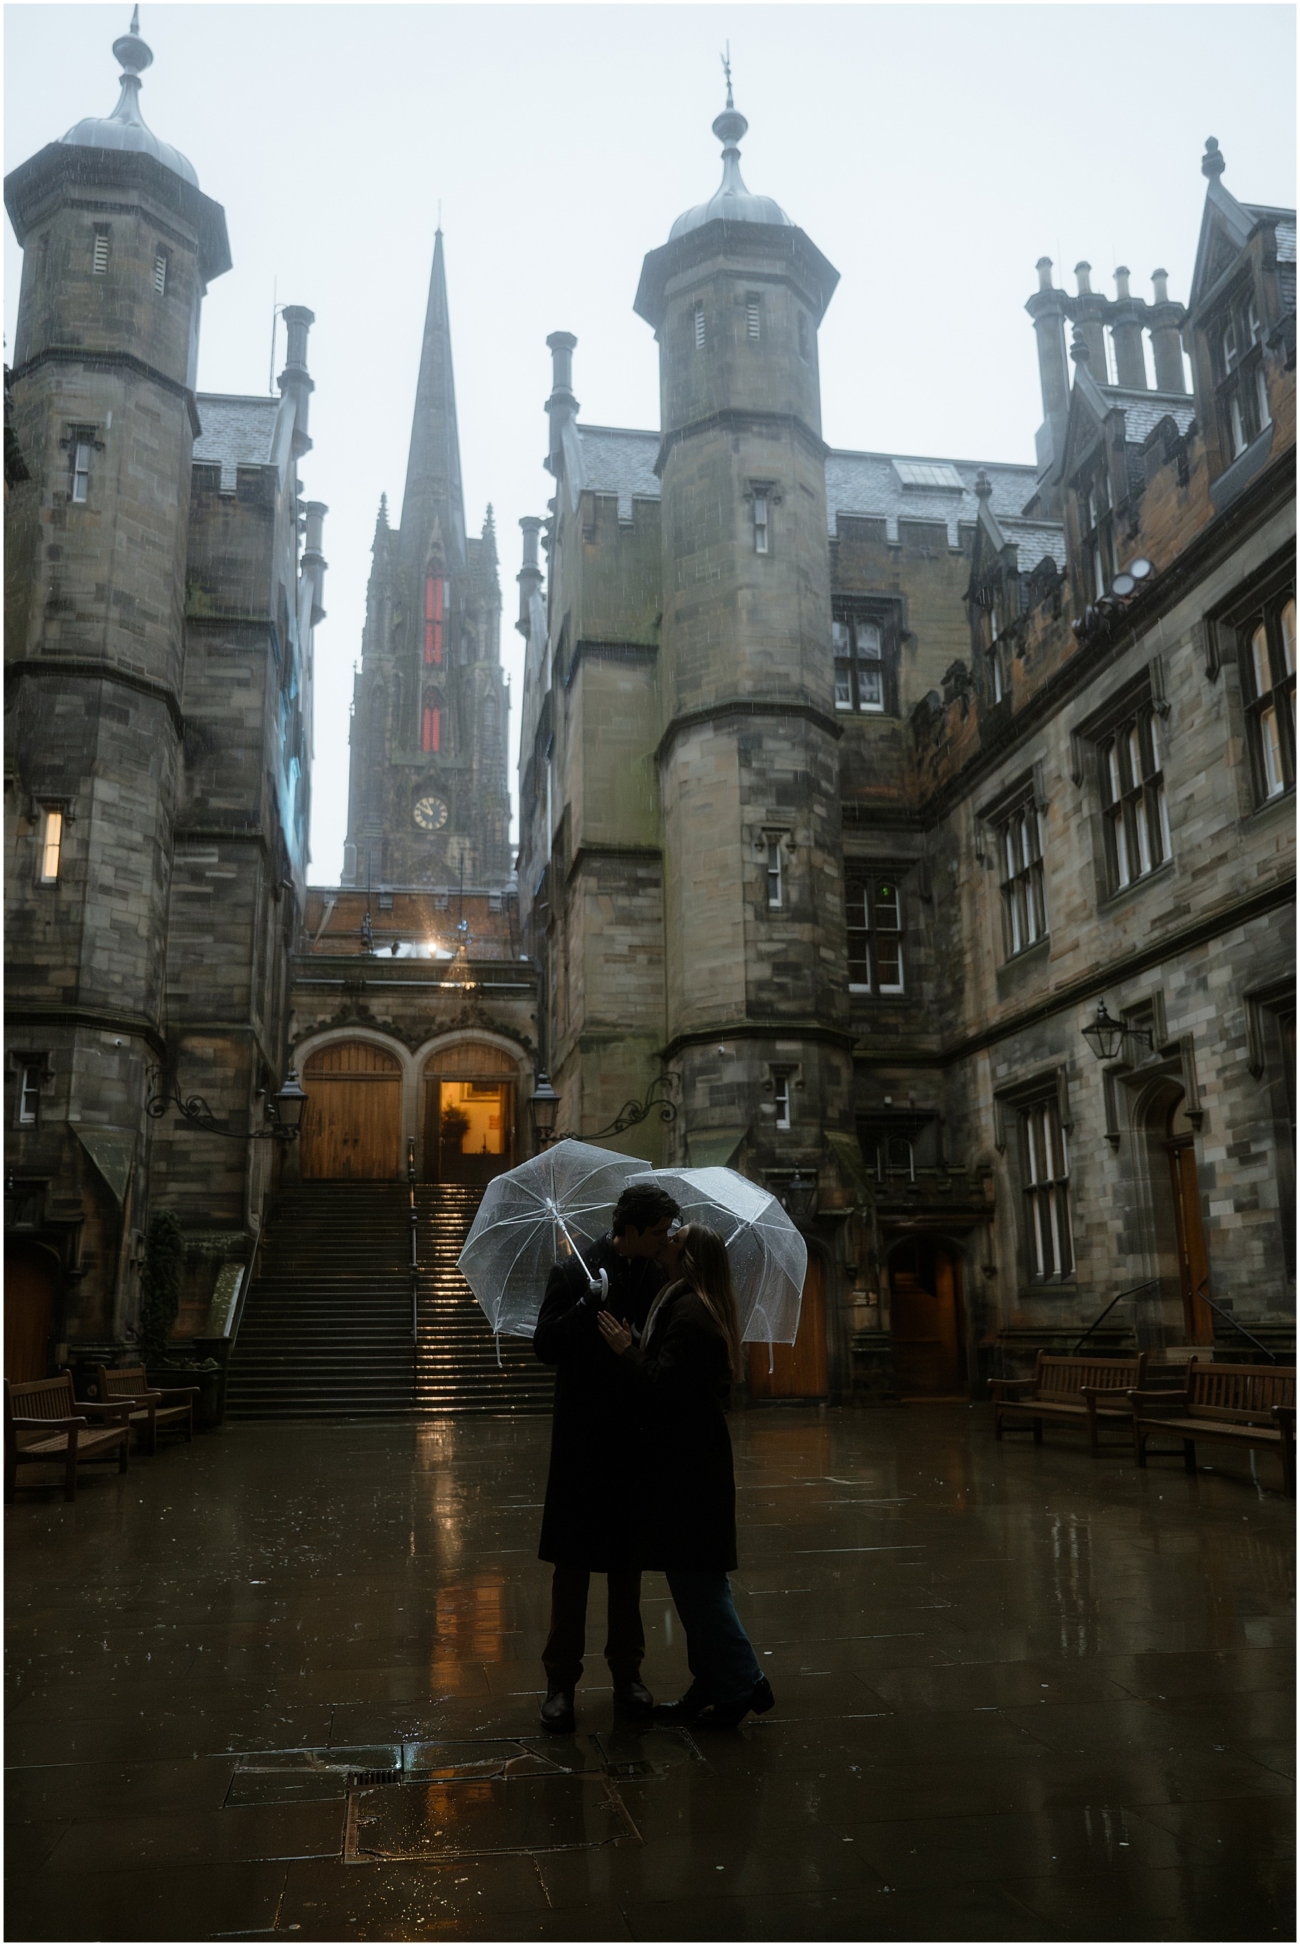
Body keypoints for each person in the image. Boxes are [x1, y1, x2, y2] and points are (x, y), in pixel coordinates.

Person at [597, 1222, 775, 1730]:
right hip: (688, 1460)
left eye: (675, 1238)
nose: (665, 1239)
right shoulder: (684, 1301)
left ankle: (744, 1683)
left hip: (690, 1467)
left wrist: (624, 1350)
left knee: (701, 1585)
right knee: (693, 1579)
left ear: (689, 1258)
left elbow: (660, 1386)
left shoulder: (693, 1312)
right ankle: (712, 1681)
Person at [532, 1180, 682, 1734]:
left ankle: (628, 1673)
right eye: (660, 1231)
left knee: (627, 1567)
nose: (666, 1239)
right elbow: (545, 1344)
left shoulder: (658, 1275)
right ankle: (559, 1683)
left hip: (632, 1439)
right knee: (571, 1571)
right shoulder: (574, 1269)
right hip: (581, 1441)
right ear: (633, 1231)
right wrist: (584, 1305)